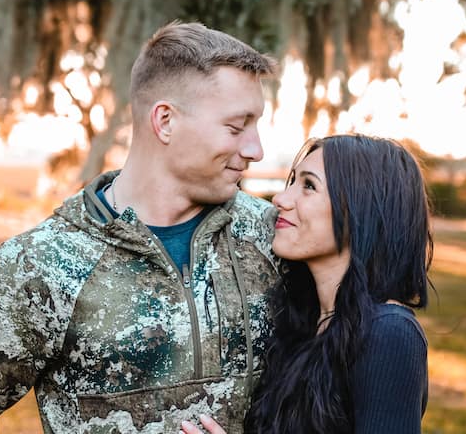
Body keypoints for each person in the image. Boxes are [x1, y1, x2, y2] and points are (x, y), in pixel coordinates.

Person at [0, 21, 279, 433]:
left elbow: (329, 381)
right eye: (236, 127)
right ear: (165, 121)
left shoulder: (273, 235)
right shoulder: (41, 263)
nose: (255, 149)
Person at [181, 134, 433, 434]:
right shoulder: (304, 322)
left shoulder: (388, 333)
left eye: (309, 186)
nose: (281, 199)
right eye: (293, 182)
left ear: (360, 210)